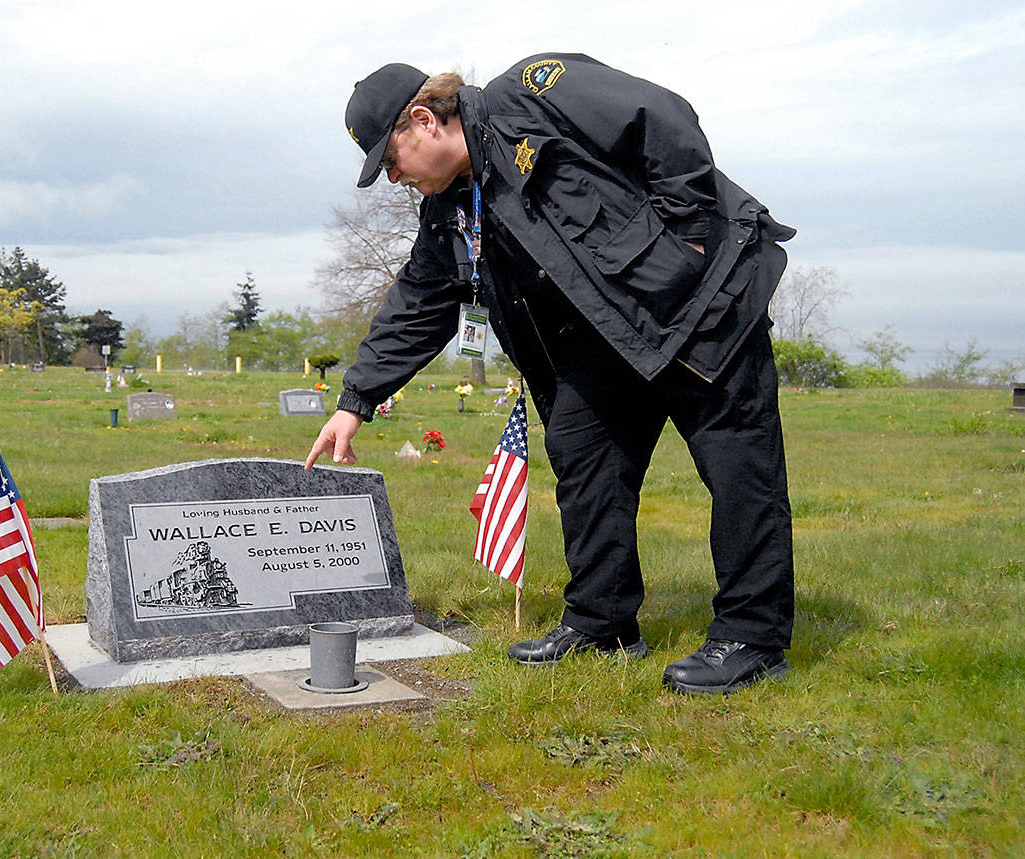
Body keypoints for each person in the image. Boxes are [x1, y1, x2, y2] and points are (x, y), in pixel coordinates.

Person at [305, 54, 797, 695]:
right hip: (612, 340)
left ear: (424, 120)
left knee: (740, 474)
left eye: (389, 161)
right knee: (583, 457)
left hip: (705, 311)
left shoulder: (534, 94)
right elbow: (421, 301)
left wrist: (688, 236)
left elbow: (662, 118)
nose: (393, 178)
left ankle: (751, 638)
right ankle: (603, 623)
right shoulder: (455, 207)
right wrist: (355, 400)